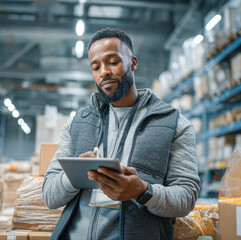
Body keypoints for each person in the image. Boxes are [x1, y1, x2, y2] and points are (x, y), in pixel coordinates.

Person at [42, 28, 200, 240]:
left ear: (133, 63)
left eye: (113, 62)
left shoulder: (173, 123)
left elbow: (186, 197)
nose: (104, 72)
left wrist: (143, 191)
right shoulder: (77, 123)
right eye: (96, 67)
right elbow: (49, 196)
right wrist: (75, 176)